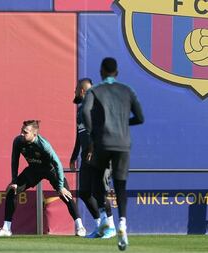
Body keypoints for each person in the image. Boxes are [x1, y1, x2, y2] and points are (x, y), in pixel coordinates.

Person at [82, 58, 144, 250]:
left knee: (95, 177)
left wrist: (93, 133)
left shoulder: (95, 90)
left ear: (101, 71)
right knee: (120, 185)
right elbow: (140, 118)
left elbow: (85, 112)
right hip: (123, 144)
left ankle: (105, 219)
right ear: (117, 72)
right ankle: (122, 223)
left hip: (103, 141)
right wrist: (123, 124)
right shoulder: (127, 90)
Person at [0, 120, 86, 237]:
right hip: (34, 169)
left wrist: (60, 186)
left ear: (34, 134)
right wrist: (14, 181)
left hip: (50, 170)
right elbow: (14, 161)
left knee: (66, 195)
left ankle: (80, 227)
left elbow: (58, 164)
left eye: (25, 132)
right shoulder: (18, 141)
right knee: (12, 191)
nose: (21, 134)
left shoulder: (43, 145)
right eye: (21, 130)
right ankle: (6, 229)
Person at [69, 78, 116, 239]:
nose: (74, 92)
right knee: (84, 192)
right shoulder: (80, 110)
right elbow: (80, 134)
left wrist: (92, 148)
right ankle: (100, 226)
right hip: (86, 156)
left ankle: (111, 228)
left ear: (82, 91)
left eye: (76, 89)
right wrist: (74, 155)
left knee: (99, 191)